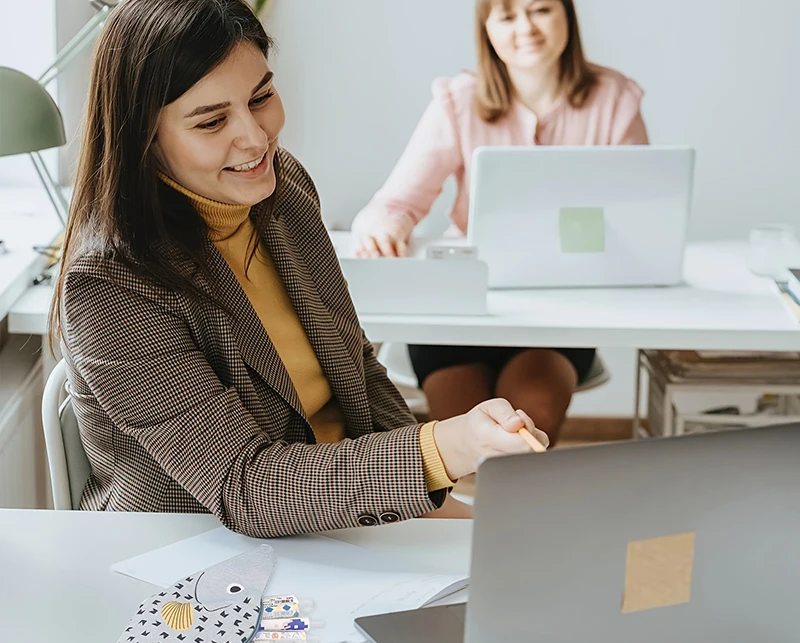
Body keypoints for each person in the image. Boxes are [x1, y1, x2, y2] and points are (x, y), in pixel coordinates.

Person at [50, 0, 549, 537]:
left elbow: (356, 368)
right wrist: (443, 448)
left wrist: (431, 480)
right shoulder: (109, 283)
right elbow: (244, 486)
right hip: (198, 551)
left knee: (525, 550)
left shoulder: (280, 189)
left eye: (261, 96)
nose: (255, 137)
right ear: (142, 138)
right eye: (213, 121)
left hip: (336, 511)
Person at [352, 0, 649, 446]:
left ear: (567, 14)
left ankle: (513, 512)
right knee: (471, 442)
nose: (525, 28)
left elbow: (638, 216)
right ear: (487, 29)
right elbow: (393, 204)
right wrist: (383, 225)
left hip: (559, 313)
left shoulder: (615, 99)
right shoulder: (457, 100)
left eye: (541, 10)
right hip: (461, 308)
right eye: (507, 16)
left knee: (528, 427)